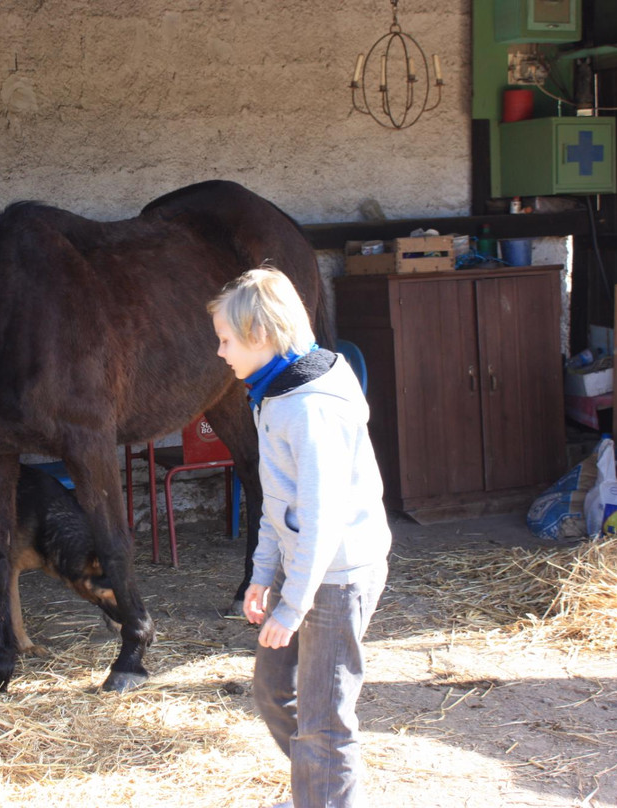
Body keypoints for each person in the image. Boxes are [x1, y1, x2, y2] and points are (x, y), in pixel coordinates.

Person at [208, 266, 391, 808]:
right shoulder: (276, 389)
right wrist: (265, 574)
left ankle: (327, 789)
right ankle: (323, 785)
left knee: (325, 722)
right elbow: (278, 500)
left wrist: (294, 604)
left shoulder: (310, 407)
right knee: (272, 693)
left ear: (260, 337)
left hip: (336, 574)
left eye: (225, 340)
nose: (220, 353)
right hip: (305, 565)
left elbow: (322, 516)